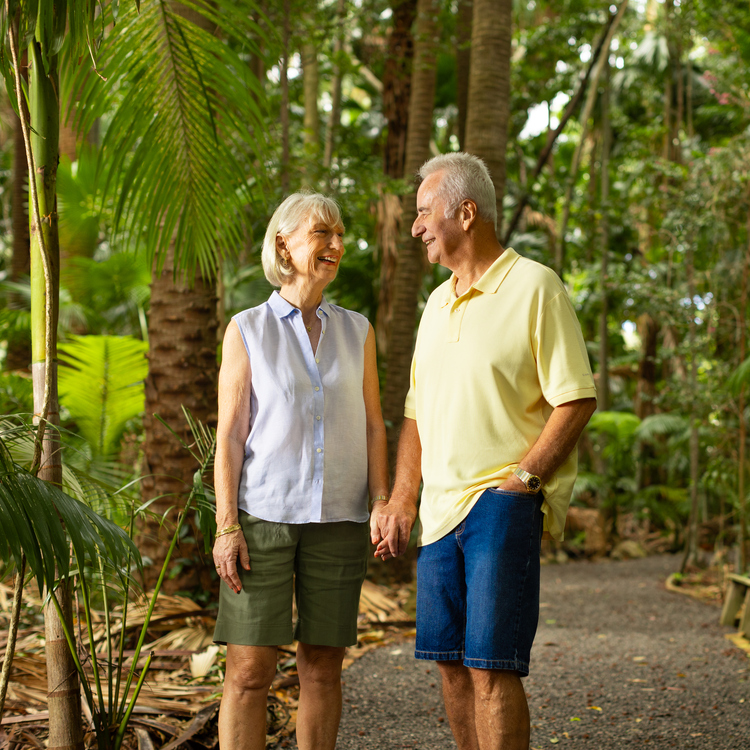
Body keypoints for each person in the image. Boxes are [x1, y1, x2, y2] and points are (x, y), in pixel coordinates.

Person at [372, 153, 597, 750]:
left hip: (500, 504)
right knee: (449, 662)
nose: (416, 226)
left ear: (465, 213)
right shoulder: (435, 304)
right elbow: (416, 413)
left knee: (492, 667)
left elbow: (574, 398)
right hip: (437, 515)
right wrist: (401, 498)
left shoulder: (534, 285)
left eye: (424, 212)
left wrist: (523, 480)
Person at [212, 192, 389, 750]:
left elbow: (374, 427)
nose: (336, 245)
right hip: (262, 518)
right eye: (322, 233)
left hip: (339, 518)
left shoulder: (357, 331)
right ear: (284, 244)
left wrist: (381, 499)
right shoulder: (247, 329)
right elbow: (230, 438)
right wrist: (225, 525)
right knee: (248, 672)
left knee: (323, 668)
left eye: (339, 234)